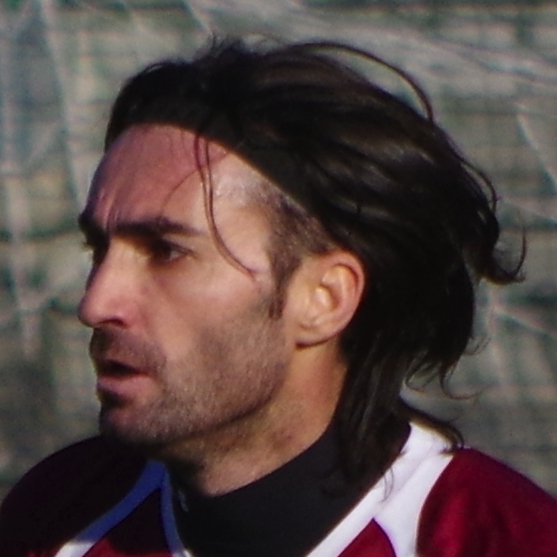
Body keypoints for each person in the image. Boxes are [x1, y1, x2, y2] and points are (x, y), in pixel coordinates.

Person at [1, 37, 556, 557]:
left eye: (166, 251)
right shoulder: (60, 515)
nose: (95, 304)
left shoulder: (498, 539)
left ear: (324, 298)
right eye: (98, 248)